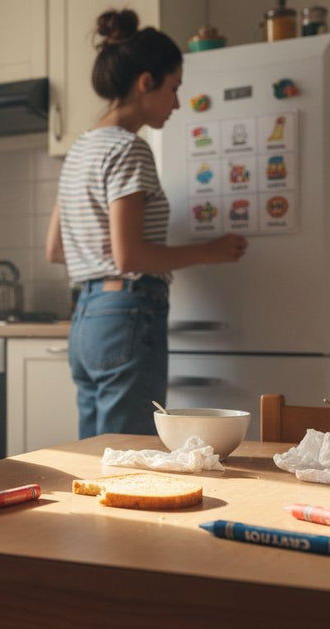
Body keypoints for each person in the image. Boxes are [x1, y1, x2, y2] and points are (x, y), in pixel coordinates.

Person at [45, 9, 247, 439]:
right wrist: (211, 251)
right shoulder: (128, 150)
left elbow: (55, 250)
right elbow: (130, 255)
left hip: (85, 318)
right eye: (173, 88)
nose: (177, 103)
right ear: (145, 82)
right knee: (129, 452)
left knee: (96, 453)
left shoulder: (79, 151)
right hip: (126, 313)